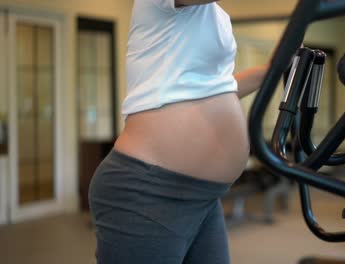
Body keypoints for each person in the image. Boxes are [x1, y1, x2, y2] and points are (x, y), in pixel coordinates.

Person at [88, 0, 268, 263]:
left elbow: (215, 88)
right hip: (148, 190)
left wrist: (276, 68)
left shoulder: (217, 15)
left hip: (204, 196)